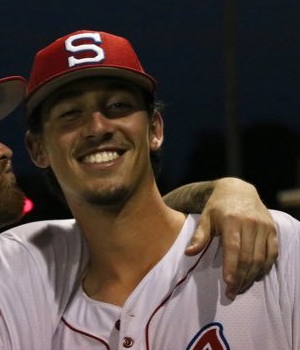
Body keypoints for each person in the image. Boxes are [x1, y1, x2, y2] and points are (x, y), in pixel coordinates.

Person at [0, 58, 278, 349]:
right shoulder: (30, 265)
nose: (2, 150)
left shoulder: (21, 263)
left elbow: (142, 223)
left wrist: (226, 191)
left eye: (117, 106)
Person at [24, 30, 299, 349]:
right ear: (37, 149)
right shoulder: (23, 289)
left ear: (155, 129)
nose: (98, 127)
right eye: (71, 113)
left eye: (117, 105)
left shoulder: (270, 243)